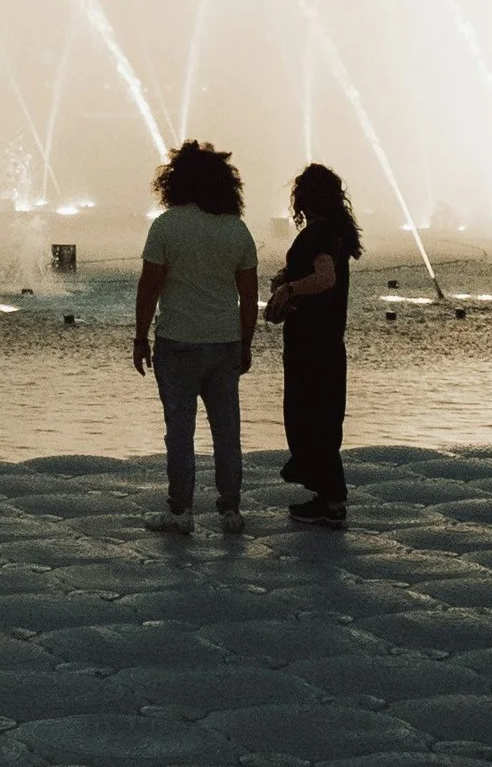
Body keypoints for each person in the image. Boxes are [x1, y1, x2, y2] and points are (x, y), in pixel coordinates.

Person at [132, 139, 258, 533]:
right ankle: (230, 510)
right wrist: (246, 342)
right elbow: (249, 296)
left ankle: (181, 511)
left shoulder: (166, 226)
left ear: (175, 181)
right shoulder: (237, 230)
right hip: (224, 343)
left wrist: (140, 337)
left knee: (180, 432)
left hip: (178, 342)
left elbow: (149, 287)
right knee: (227, 431)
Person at [266, 160, 362, 526]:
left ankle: (331, 501)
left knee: (311, 418)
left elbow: (325, 278)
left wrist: (291, 288)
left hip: (312, 344)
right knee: (322, 418)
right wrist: (289, 276)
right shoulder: (333, 232)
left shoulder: (319, 234)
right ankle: (326, 496)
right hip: (327, 341)